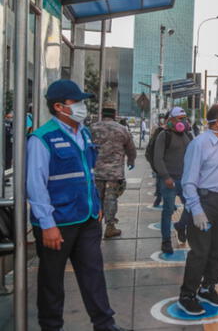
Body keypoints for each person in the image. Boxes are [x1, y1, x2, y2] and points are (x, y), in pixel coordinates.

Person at [26, 79, 127, 331]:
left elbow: (87, 172)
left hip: (87, 219)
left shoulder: (82, 132)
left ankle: (105, 324)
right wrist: (47, 224)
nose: (83, 106)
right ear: (59, 106)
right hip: (57, 224)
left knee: (93, 274)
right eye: (77, 102)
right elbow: (35, 186)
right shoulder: (42, 138)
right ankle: (51, 327)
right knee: (52, 282)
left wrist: (96, 204)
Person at [177, 103, 218, 315]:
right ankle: (187, 295)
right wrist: (196, 210)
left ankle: (208, 287)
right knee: (200, 252)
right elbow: (188, 182)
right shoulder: (199, 144)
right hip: (206, 203)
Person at [90, 104, 137, 238]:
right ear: (114, 115)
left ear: (102, 114)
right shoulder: (122, 129)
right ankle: (110, 226)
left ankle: (95, 224)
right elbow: (131, 148)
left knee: (96, 198)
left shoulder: (92, 128)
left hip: (96, 171)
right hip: (114, 172)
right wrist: (131, 160)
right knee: (111, 198)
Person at [153, 107, 192, 254]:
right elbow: (158, 158)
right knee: (168, 211)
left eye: (185, 118)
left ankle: (181, 226)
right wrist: (166, 177)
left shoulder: (188, 135)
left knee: (191, 206)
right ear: (171, 120)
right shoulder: (164, 135)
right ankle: (166, 241)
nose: (184, 121)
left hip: (186, 180)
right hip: (169, 181)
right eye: (180, 118)